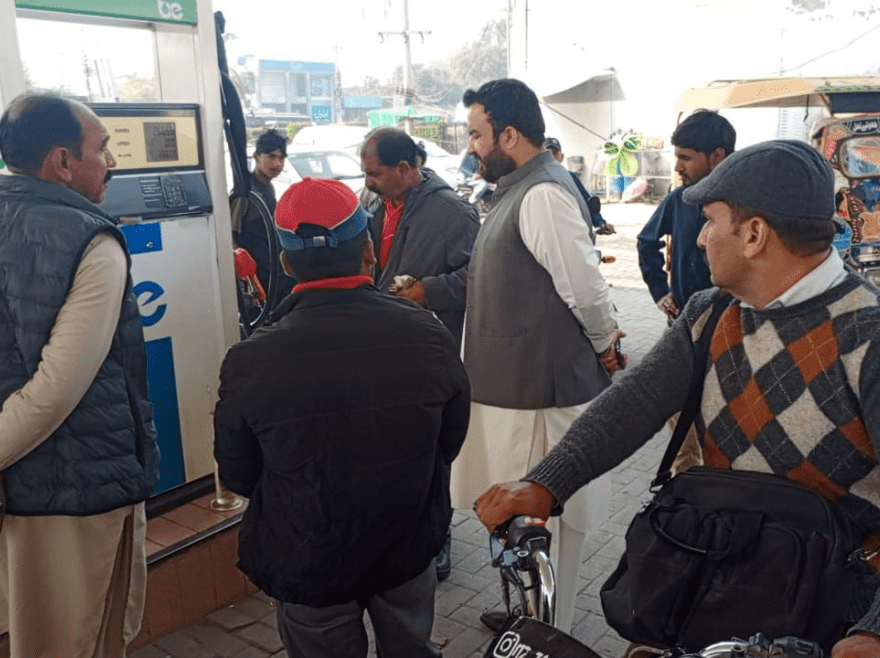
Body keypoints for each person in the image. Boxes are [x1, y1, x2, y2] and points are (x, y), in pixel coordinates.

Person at [474, 140, 880, 658]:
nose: (700, 238)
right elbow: (634, 402)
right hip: (717, 583)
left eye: (709, 221)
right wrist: (546, 482)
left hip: (828, 620)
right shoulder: (710, 313)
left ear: (753, 234)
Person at [0, 93, 160, 657]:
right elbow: (56, 388)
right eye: (102, 148)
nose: (111, 161)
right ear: (63, 161)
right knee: (85, 642)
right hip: (77, 496)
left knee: (26, 638)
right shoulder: (92, 242)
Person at [214, 177, 470, 658]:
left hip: (308, 555)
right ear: (368, 250)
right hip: (406, 540)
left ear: (286, 263)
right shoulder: (429, 335)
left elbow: (239, 472)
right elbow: (449, 442)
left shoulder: (251, 360)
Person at [450, 78, 625, 634]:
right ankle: (525, 618)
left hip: (543, 403)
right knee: (517, 523)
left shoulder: (543, 194)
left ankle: (551, 634)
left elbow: (586, 289)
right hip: (515, 395)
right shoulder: (516, 190)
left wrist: (606, 346)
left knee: (551, 528)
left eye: (477, 134)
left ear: (509, 135)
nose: (472, 147)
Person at [361, 126, 480, 350]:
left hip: (427, 347)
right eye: (365, 174)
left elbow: (481, 276)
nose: (368, 183)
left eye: (375, 174)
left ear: (403, 168)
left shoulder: (454, 213)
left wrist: (428, 291)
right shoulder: (371, 203)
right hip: (380, 342)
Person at [637, 110, 735, 323]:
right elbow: (646, 241)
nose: (677, 167)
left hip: (725, 327)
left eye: (686, 158)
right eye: (677, 157)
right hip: (681, 322)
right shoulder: (678, 200)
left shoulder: (744, 205)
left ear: (716, 157)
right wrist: (660, 291)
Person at [231, 129, 295, 314]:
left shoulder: (268, 187)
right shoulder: (245, 193)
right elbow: (229, 236)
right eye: (271, 157)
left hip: (274, 271)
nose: (277, 164)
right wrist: (249, 279)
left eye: (281, 158)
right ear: (257, 156)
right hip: (258, 281)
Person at [545, 136, 613, 235]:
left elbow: (587, 201)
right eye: (548, 153)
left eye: (554, 152)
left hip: (572, 230)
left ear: (561, 156)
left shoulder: (570, 178)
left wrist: (600, 223)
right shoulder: (538, 181)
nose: (552, 156)